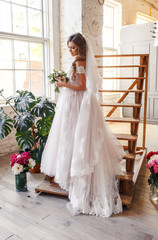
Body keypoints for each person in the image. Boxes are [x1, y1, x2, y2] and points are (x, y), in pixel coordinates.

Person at [40, 33, 125, 217]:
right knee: (73, 138)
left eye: (73, 47)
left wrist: (64, 84)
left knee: (77, 138)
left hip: (80, 103)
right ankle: (76, 174)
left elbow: (82, 87)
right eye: (69, 47)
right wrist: (66, 82)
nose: (70, 50)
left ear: (80, 48)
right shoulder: (80, 60)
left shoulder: (80, 61)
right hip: (79, 102)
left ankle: (83, 181)